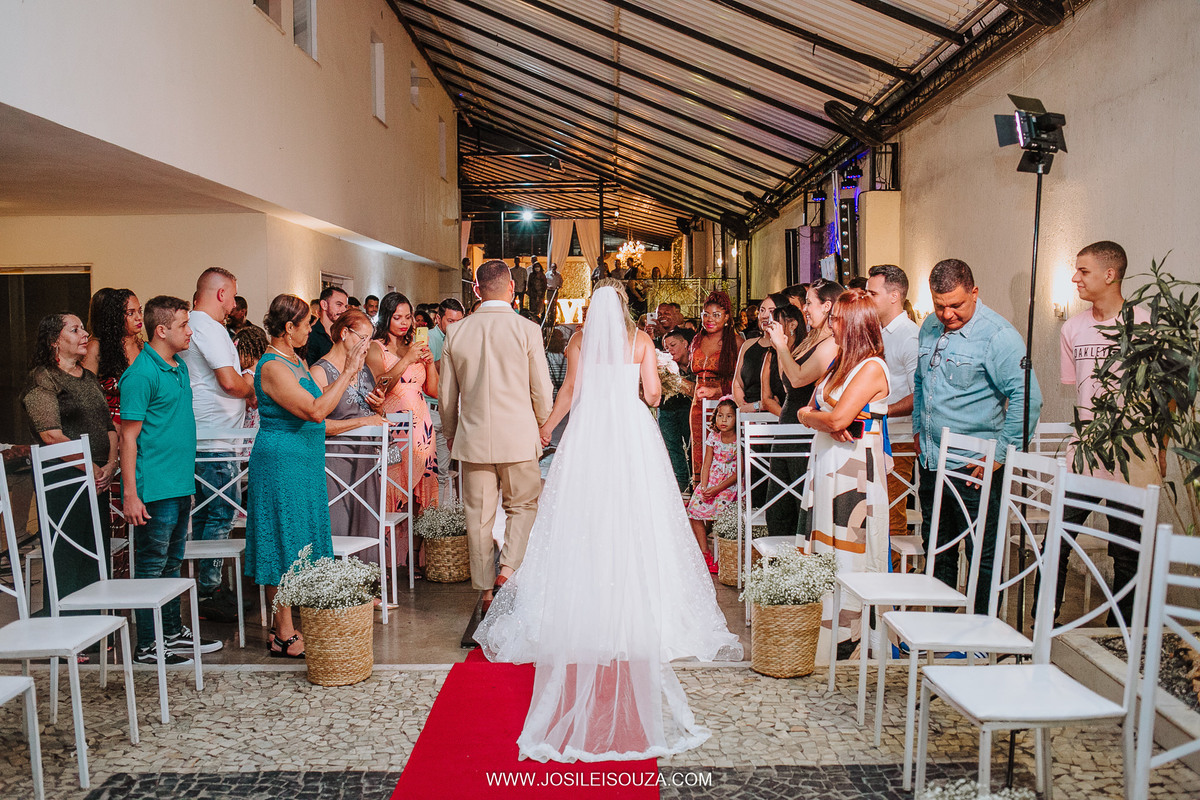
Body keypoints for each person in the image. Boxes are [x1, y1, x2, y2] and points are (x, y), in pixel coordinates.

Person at [473, 281, 742, 763]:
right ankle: (637, 603)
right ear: (624, 309)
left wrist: (548, 426)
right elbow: (655, 397)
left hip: (590, 433)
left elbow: (570, 391)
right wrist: (652, 380)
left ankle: (588, 600)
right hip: (631, 433)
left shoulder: (577, 342)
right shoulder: (640, 341)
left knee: (584, 518)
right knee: (639, 515)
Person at [913, 259, 1042, 615]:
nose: (947, 314)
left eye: (956, 305)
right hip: (930, 459)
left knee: (981, 552)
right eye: (940, 305)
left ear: (975, 292)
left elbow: (1028, 398)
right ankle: (938, 627)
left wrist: (999, 456)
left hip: (974, 467)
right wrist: (917, 432)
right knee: (937, 548)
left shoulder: (999, 336)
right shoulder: (928, 326)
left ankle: (979, 636)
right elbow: (922, 382)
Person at [246, 294, 372, 658]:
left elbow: (325, 411)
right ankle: (282, 631)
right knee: (282, 540)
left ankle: (283, 625)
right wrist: (348, 370)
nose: (312, 329)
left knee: (301, 536)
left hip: (304, 462)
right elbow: (315, 410)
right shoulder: (272, 367)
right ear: (288, 328)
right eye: (306, 324)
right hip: (281, 464)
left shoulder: (296, 360)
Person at [440, 260, 554, 615]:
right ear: (512, 288)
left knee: (478, 517)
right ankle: (507, 572)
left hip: (473, 439)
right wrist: (543, 426)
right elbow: (542, 389)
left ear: (476, 290)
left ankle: (486, 591)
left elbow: (447, 397)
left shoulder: (456, 332)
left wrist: (451, 435)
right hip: (519, 437)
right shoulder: (527, 329)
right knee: (522, 507)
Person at [1055, 240, 1157, 624]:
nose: (1075, 278)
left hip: (1130, 453)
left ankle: (1119, 636)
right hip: (1084, 451)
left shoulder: (1144, 324)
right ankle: (1042, 623)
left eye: (1083, 270)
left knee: (1128, 552)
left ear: (1110, 274)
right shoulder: (1072, 327)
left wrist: (1158, 448)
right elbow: (1078, 390)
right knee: (1055, 542)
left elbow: (1163, 394)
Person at [119, 296, 223, 664]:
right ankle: (147, 645)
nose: (190, 331)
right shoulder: (141, 374)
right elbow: (128, 438)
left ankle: (171, 633)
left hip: (180, 483)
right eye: (183, 325)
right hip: (155, 487)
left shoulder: (176, 366)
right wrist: (130, 495)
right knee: (151, 567)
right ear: (161, 330)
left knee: (171, 564)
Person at [798, 289, 892, 653]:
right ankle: (820, 642)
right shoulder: (840, 362)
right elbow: (810, 409)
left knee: (850, 554)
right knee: (826, 552)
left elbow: (838, 418)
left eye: (836, 318)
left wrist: (821, 420)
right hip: (827, 463)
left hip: (854, 472)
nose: (830, 323)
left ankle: (852, 647)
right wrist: (815, 419)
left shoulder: (872, 367)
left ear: (852, 324)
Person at [23, 312, 118, 616]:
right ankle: (65, 626)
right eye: (75, 330)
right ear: (54, 341)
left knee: (95, 552)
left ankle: (93, 628)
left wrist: (110, 466)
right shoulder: (44, 378)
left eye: (83, 328)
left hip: (98, 480)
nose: (84, 334)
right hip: (64, 480)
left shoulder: (88, 378)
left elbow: (109, 428)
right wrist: (89, 468)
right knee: (66, 553)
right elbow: (51, 435)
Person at [184, 267, 257, 623]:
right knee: (221, 513)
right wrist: (251, 384)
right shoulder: (206, 326)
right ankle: (209, 590)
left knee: (207, 514)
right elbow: (229, 382)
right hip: (213, 437)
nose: (233, 303)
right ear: (220, 293)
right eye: (231, 295)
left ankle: (206, 586)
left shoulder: (202, 326)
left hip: (214, 434)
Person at [762, 279, 842, 539]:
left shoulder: (831, 343)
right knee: (778, 503)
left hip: (804, 427)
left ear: (827, 305)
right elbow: (788, 383)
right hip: (788, 421)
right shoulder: (812, 338)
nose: (804, 309)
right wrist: (780, 346)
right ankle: (780, 569)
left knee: (798, 501)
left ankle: (797, 564)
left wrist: (782, 346)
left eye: (809, 303)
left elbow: (797, 379)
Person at [312, 309, 388, 551]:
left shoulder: (364, 369)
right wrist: (364, 422)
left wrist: (378, 408)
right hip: (336, 460)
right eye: (362, 338)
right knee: (339, 522)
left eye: (370, 339)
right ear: (344, 333)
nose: (367, 345)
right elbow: (317, 423)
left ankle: (364, 578)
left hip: (365, 459)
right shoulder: (318, 372)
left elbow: (371, 416)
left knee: (366, 523)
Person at [367, 291, 440, 526]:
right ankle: (394, 558)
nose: (404, 323)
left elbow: (434, 390)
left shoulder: (414, 345)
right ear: (386, 317)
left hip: (423, 430)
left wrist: (428, 364)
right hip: (393, 429)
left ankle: (421, 556)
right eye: (397, 317)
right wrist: (407, 360)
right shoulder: (375, 348)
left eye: (408, 317)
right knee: (393, 485)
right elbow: (381, 386)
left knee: (424, 490)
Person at [866, 264, 920, 545]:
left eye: (872, 294)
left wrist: (883, 410)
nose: (866, 299)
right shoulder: (879, 331)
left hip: (898, 438)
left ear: (894, 296)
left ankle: (897, 574)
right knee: (871, 512)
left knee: (892, 511)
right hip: (875, 433)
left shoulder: (909, 336)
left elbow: (918, 393)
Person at [687, 291, 742, 483]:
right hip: (697, 404)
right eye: (706, 314)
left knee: (721, 450)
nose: (709, 319)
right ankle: (700, 490)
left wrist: (716, 391)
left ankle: (721, 491)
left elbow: (740, 380)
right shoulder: (696, 340)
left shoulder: (735, 342)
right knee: (698, 446)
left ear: (727, 317)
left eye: (716, 315)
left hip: (723, 406)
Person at [686, 397, 738, 573]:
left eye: (729, 416)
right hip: (711, 482)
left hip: (728, 485)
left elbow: (738, 474)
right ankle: (705, 552)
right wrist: (704, 486)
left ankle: (721, 557)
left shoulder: (739, 440)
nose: (723, 420)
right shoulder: (713, 437)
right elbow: (706, 464)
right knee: (693, 510)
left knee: (720, 513)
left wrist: (717, 489)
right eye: (720, 415)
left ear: (736, 418)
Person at [82, 288, 144, 425]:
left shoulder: (143, 347)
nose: (139, 317)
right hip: (110, 426)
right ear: (115, 317)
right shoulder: (97, 347)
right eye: (130, 313)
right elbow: (85, 394)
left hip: (143, 424)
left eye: (140, 311)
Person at [427, 298, 465, 506]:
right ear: (438, 319)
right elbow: (427, 371)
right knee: (428, 471)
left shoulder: (461, 337)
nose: (455, 326)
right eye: (450, 321)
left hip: (452, 408)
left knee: (445, 470)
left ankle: (442, 522)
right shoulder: (429, 338)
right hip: (430, 409)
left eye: (459, 321)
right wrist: (451, 354)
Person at [659, 327, 696, 493]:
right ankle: (680, 485)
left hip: (688, 410)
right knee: (672, 449)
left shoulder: (696, 364)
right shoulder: (664, 366)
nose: (669, 350)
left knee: (692, 446)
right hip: (667, 410)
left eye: (673, 345)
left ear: (685, 344)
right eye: (666, 348)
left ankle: (695, 482)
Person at [732, 295, 777, 414]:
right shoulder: (748, 345)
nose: (765, 315)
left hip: (776, 414)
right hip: (747, 414)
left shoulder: (786, 347)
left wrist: (760, 406)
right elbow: (737, 383)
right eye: (762, 310)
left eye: (771, 311)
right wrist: (743, 407)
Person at [305, 286, 348, 366]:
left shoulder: (344, 335)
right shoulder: (311, 336)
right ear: (324, 305)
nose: (343, 310)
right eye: (339, 304)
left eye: (345, 306)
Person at [235, 325, 267, 430]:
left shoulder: (248, 374)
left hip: (251, 419)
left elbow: (244, 399)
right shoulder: (265, 370)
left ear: (246, 353)